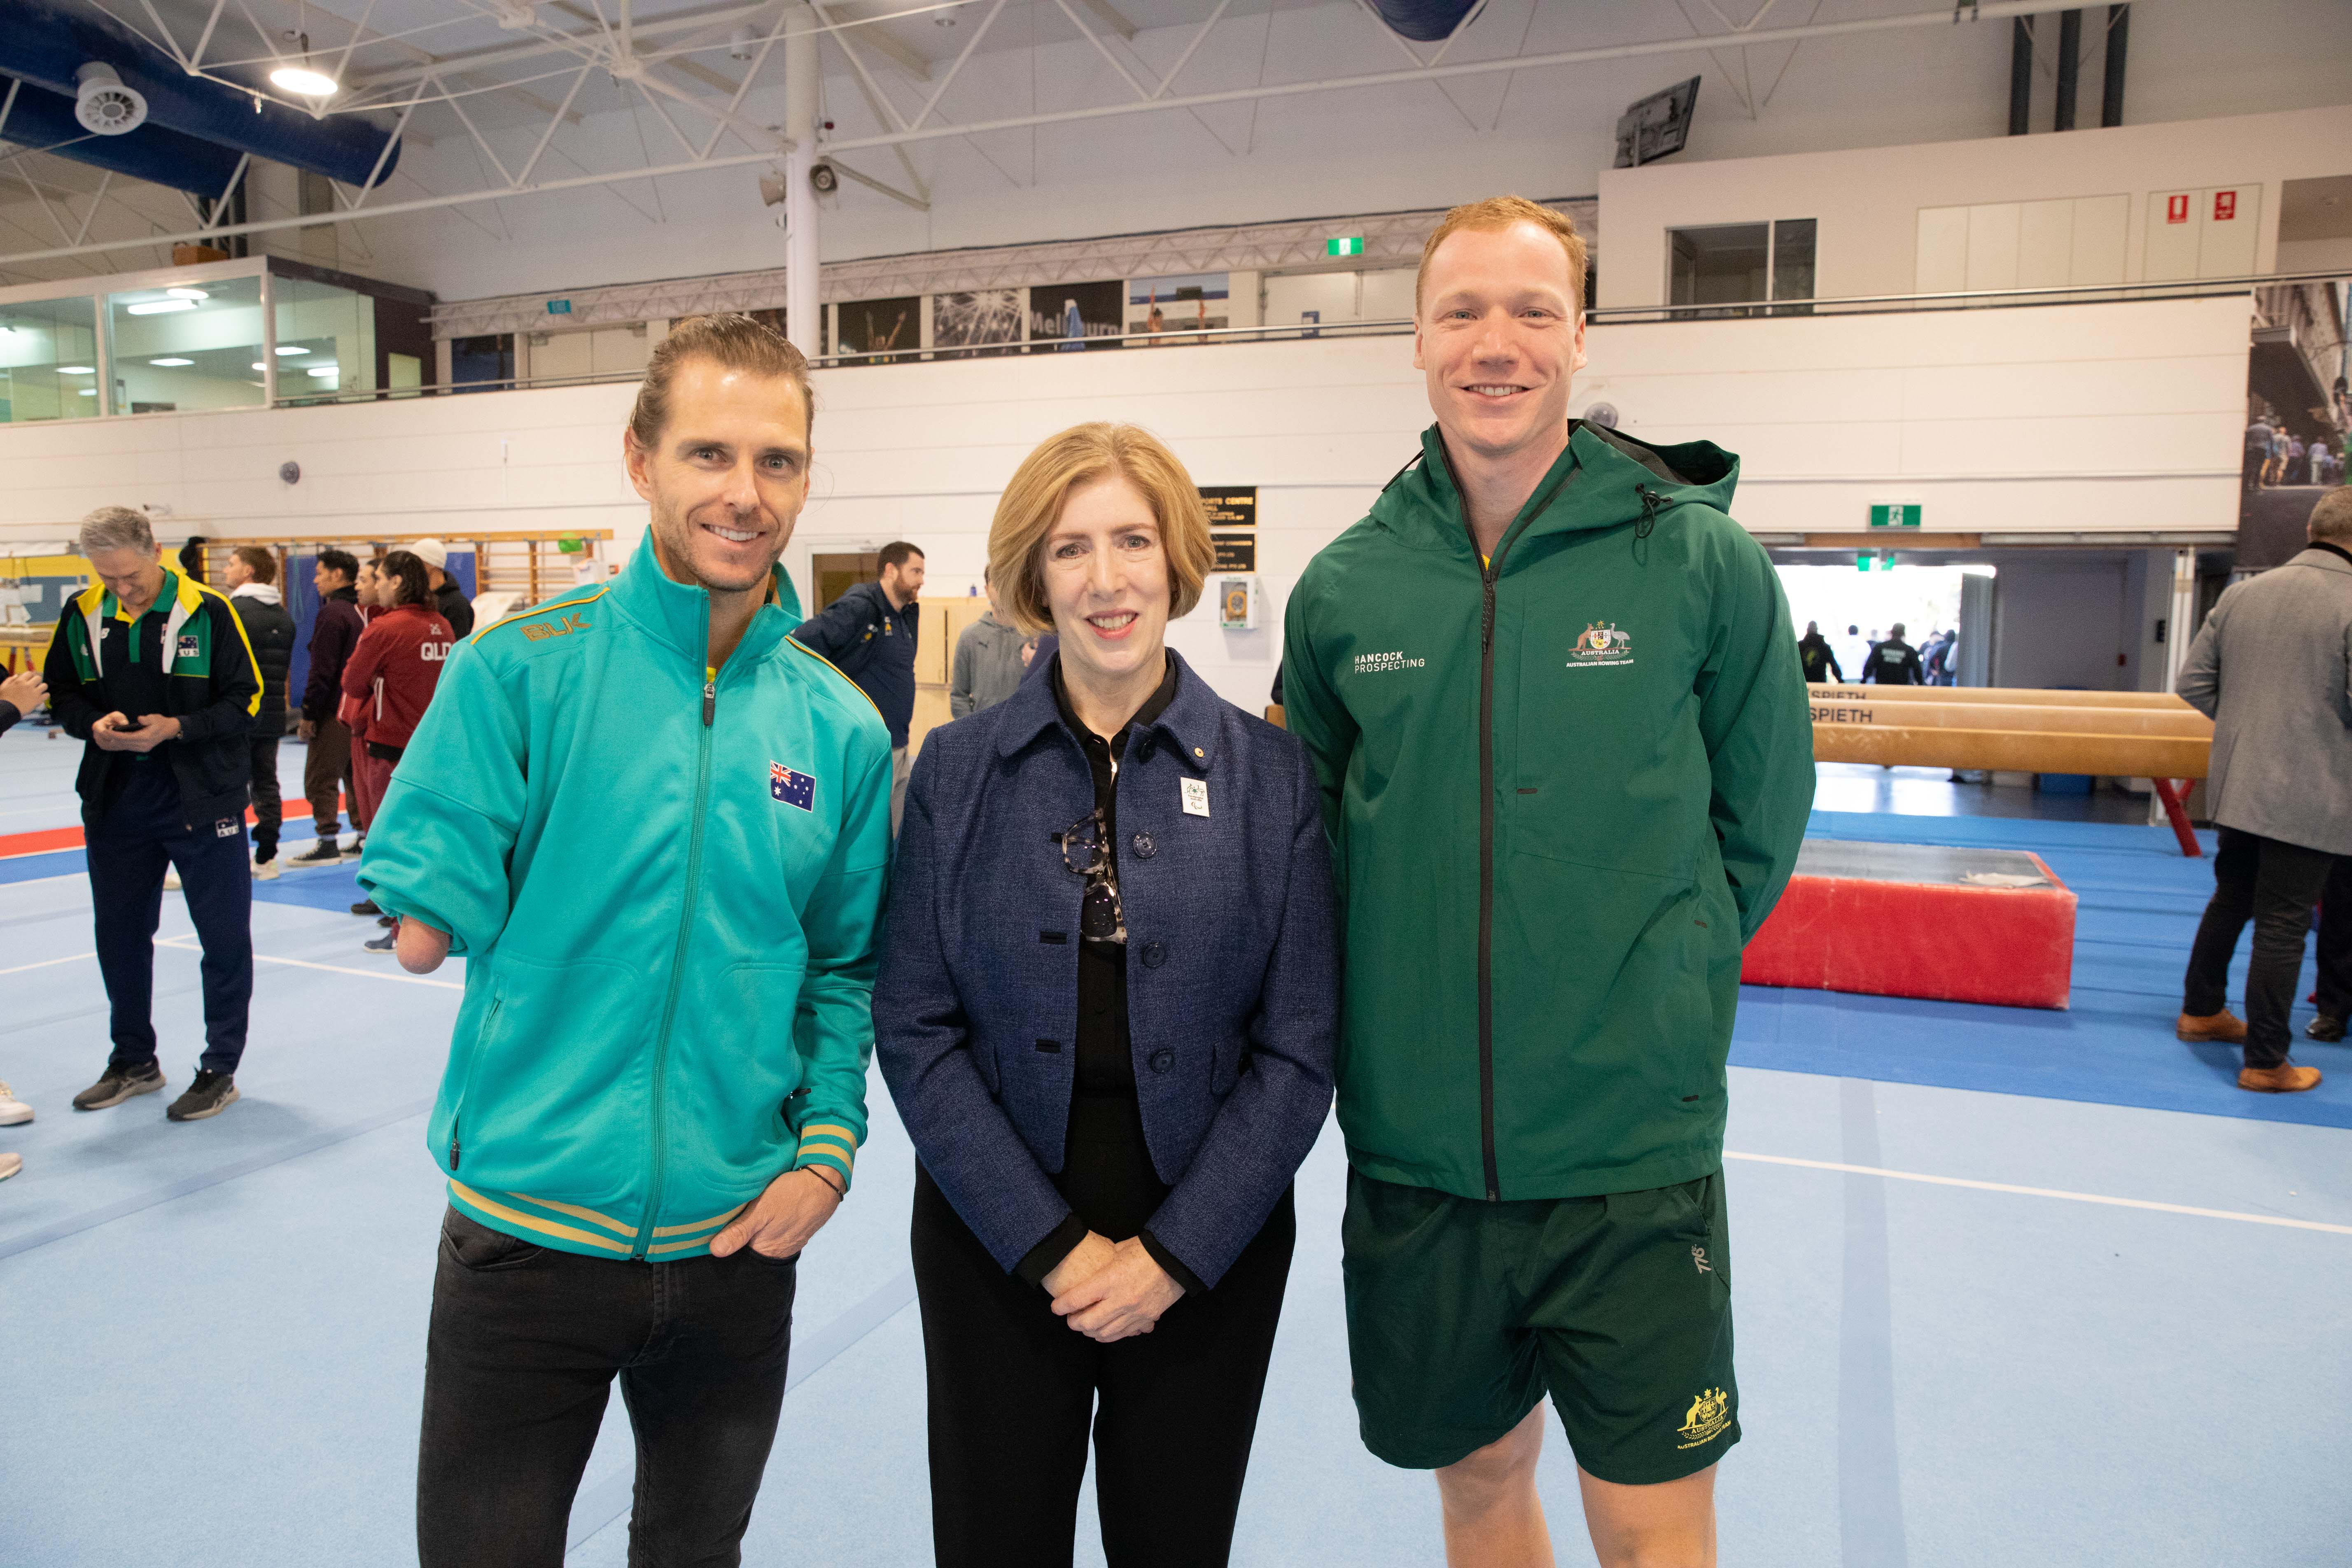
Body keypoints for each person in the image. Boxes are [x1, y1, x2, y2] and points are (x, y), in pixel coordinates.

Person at [1282, 195, 1814, 1568]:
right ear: (1415, 340)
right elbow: (1317, 843)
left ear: (1580, 334)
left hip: (1630, 1157)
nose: (1495, 342)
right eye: (1461, 310)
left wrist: (1657, 982)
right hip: (1420, 1158)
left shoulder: (1696, 558)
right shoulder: (1346, 588)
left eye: (1531, 309)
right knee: (1475, 1477)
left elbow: (1758, 821)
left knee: (1647, 1522)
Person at [357, 313, 892, 1568]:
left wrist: (826, 1149)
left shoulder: (840, 730)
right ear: (639, 460)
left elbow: (845, 967)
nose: (744, 494)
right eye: (708, 454)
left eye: (777, 461)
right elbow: (430, 906)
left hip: (735, 1243)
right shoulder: (517, 673)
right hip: (526, 1234)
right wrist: (433, 894)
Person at [875, 422, 1336, 1568]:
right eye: (1071, 548)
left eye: (1133, 540)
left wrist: (1175, 1255)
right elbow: (916, 1027)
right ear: (1034, 575)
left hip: (1207, 1238)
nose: (1108, 579)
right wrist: (1051, 1248)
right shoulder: (956, 771)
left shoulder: (1269, 778)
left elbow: (1300, 1048)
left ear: (1177, 558)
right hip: (997, 1233)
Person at [44, 505, 261, 1123]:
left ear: (157, 551)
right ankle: (134, 1059)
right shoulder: (83, 613)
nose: (122, 588)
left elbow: (247, 702)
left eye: (130, 576)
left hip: (201, 800)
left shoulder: (210, 612)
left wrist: (179, 728)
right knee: (119, 936)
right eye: (108, 578)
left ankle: (220, 1067)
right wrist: (94, 724)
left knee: (222, 939)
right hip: (117, 802)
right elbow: (62, 692)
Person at [2175, 487, 2352, 1094]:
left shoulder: (2243, 594)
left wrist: (2255, 728)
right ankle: (2267, 1060)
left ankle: (2202, 1011)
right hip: (2314, 790)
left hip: (2241, 782)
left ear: (2312, 527)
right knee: (2284, 921)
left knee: (2233, 897)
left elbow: (2193, 687)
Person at [338, 549, 454, 955]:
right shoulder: (442, 625)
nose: (376, 586)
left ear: (398, 582)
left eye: (381, 579)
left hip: (389, 748)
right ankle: (430, 920)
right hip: (434, 747)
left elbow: (352, 683)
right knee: (428, 839)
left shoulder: (386, 629)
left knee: (389, 838)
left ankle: (400, 927)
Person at [791, 539, 924, 833]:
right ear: (891, 570)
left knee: (896, 830)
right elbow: (800, 645)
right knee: (870, 834)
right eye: (916, 571)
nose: (921, 581)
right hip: (865, 747)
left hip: (898, 741)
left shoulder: (906, 615)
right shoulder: (862, 607)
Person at [222, 546, 296, 880]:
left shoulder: (232, 611)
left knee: (224, 785)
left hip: (236, 716)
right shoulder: (283, 616)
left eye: (232, 563)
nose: (225, 569)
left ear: (249, 571)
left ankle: (224, 856)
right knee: (266, 784)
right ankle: (267, 858)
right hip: (270, 715)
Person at [290, 548, 366, 868]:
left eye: (320, 573)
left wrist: (309, 714)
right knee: (353, 774)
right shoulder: (361, 611)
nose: (315, 579)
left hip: (334, 709)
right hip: (358, 710)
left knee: (320, 777)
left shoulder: (334, 613)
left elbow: (322, 670)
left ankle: (327, 841)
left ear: (338, 575)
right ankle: (363, 835)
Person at [948, 563, 1034, 718]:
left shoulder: (1035, 637)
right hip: (982, 734)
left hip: (1024, 733)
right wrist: (973, 731)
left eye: (1007, 582)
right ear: (987, 590)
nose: (1003, 590)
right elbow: (959, 696)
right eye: (997, 584)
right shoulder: (970, 637)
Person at [409, 537, 476, 638]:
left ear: (431, 564)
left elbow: (457, 648)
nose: (411, 569)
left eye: (415, 563)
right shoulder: (418, 598)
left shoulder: (457, 605)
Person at [1859, 621, 1924, 685]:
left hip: (1882, 688)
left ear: (1892, 632)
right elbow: (1917, 670)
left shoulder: (1880, 647)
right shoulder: (1909, 650)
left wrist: (1864, 680)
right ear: (1903, 634)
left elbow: (1869, 665)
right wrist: (1921, 684)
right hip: (1901, 689)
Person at [1796, 619, 1842, 683]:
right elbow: (1834, 667)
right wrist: (1841, 681)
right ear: (1817, 630)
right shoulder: (1825, 647)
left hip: (1803, 685)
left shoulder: (1799, 646)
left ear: (1807, 630)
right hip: (1820, 686)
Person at [2246, 414, 2275, 495]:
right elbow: (2272, 441)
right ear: (2264, 421)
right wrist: (2272, 451)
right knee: (2259, 467)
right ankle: (2256, 486)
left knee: (2251, 467)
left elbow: (2247, 439)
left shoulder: (2251, 428)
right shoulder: (2268, 429)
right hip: (2262, 449)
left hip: (2252, 449)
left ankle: (2248, 485)